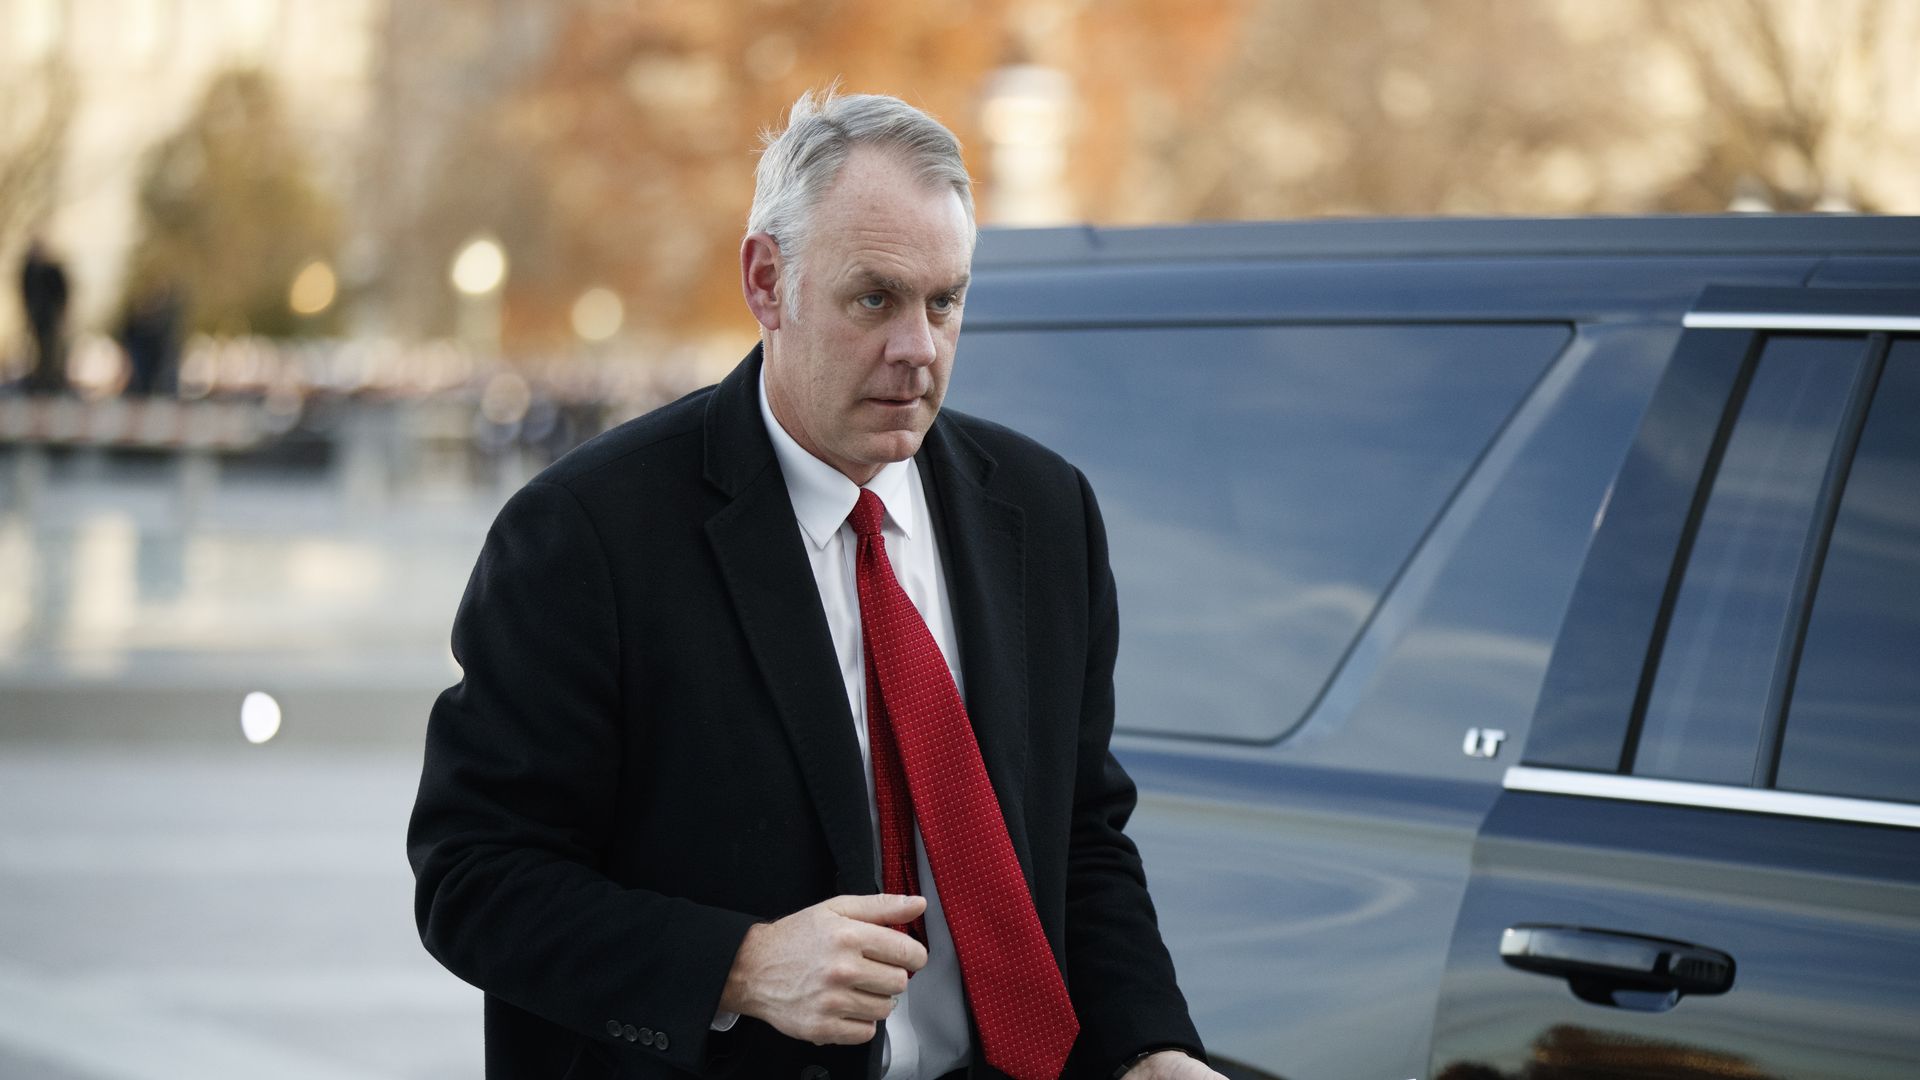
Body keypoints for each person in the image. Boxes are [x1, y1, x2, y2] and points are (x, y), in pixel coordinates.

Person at [409, 90, 1225, 1080]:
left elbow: (1079, 843)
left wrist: (1152, 1048)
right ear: (767, 282)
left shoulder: (1046, 516)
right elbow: (475, 877)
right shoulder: (585, 536)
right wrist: (740, 968)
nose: (918, 349)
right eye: (875, 299)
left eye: (946, 301)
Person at [19, 237, 70, 395]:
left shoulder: (52, 271)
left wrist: (59, 313)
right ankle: (38, 379)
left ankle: (51, 379)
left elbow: (61, 294)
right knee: (35, 348)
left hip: (50, 317)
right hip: (36, 316)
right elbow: (25, 292)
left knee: (50, 348)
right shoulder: (29, 270)